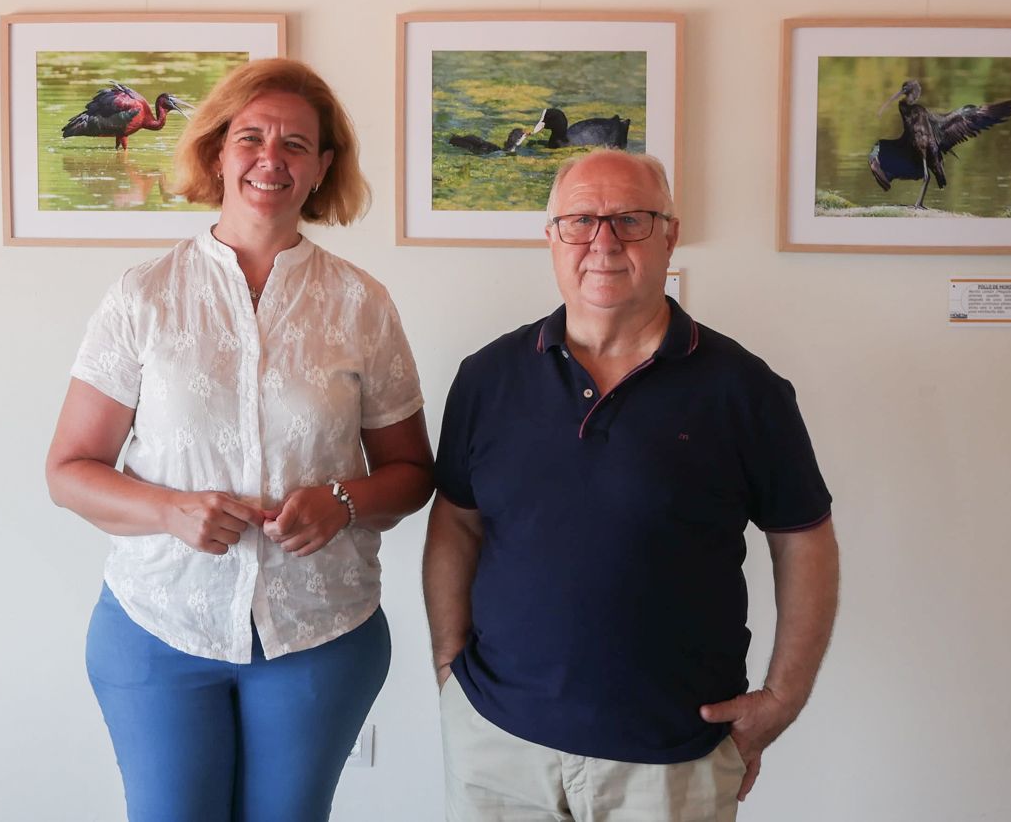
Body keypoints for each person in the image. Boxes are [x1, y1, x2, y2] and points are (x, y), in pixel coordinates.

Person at [46, 58, 433, 822]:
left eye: (296, 144)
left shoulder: (362, 304)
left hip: (320, 630)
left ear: (323, 167)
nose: (271, 157)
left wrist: (342, 502)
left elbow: (413, 472)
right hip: (158, 627)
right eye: (250, 137)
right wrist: (167, 510)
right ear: (217, 153)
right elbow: (68, 470)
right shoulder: (143, 296)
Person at [424, 150, 839, 822]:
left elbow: (805, 540)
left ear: (670, 234)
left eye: (631, 221)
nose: (604, 243)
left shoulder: (744, 390)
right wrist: (449, 666)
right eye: (581, 221)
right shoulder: (488, 378)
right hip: (498, 749)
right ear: (551, 238)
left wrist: (783, 697)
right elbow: (458, 522)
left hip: (672, 759)